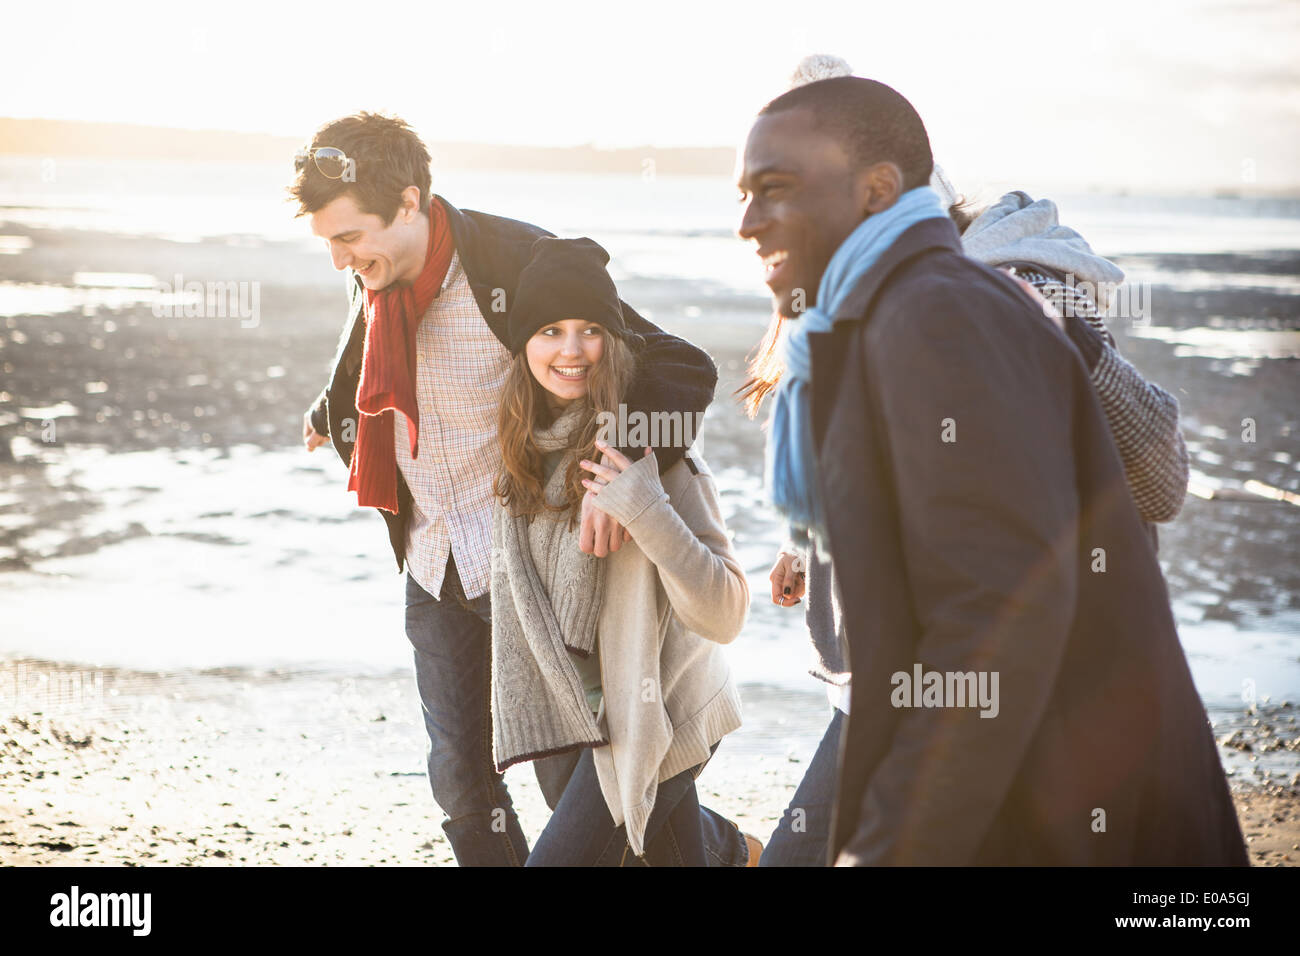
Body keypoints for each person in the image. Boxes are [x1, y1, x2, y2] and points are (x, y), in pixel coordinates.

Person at [735, 75, 1247, 864]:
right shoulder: (889, 316)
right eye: (744, 193)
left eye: (774, 189)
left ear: (877, 191)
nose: (745, 222)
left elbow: (996, 616)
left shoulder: (941, 313)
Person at [291, 112, 750, 865]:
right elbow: (365, 355)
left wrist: (616, 470)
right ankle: (724, 853)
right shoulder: (376, 276)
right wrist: (330, 410)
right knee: (461, 780)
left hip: (524, 564)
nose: (340, 259)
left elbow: (679, 364)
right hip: (431, 555)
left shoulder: (513, 261)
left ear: (409, 203)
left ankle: (722, 851)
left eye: (349, 238)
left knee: (581, 774)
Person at [487, 237, 749, 865]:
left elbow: (726, 614)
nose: (571, 351)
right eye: (550, 330)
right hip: (570, 716)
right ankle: (738, 853)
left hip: (659, 711)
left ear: (616, 339)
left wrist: (642, 505)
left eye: (590, 330)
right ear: (523, 344)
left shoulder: (656, 452)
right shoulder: (519, 454)